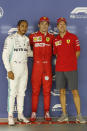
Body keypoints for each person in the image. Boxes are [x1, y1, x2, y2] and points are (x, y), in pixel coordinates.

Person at [53, 17, 86, 123]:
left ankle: (79, 116)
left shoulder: (73, 37)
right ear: (57, 27)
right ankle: (64, 115)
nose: (62, 26)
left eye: (63, 24)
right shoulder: (56, 39)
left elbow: (77, 52)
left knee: (75, 91)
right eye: (60, 24)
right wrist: (63, 62)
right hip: (59, 69)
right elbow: (57, 54)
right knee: (61, 91)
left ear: (66, 26)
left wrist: (69, 62)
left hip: (71, 68)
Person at [2, 20, 33, 125]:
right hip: (13, 68)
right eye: (22, 26)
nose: (24, 28)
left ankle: (20, 115)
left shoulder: (27, 39)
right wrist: (9, 70)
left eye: (26, 26)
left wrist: (41, 51)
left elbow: (29, 53)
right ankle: (10, 116)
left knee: (22, 93)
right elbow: (5, 55)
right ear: (18, 27)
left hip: (24, 68)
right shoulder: (10, 38)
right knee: (12, 93)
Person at [29, 16, 54, 122]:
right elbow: (28, 47)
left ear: (48, 26)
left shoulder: (52, 37)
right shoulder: (32, 36)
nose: (44, 26)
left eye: (46, 24)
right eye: (42, 23)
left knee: (47, 91)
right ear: (38, 25)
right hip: (37, 66)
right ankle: (33, 112)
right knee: (35, 91)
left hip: (47, 66)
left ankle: (47, 112)